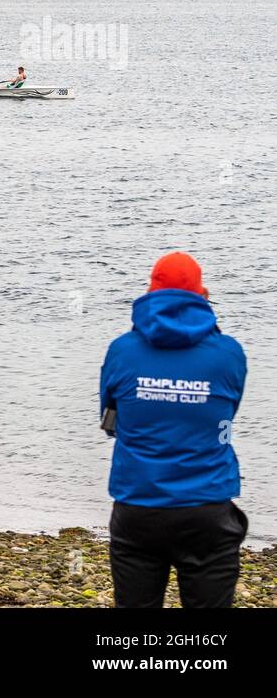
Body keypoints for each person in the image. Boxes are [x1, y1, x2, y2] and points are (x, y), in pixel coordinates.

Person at [100, 252, 247, 608]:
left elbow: (110, 421)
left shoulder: (122, 351)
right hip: (207, 507)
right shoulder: (228, 353)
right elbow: (226, 414)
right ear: (203, 294)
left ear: (150, 294)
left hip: (138, 503)